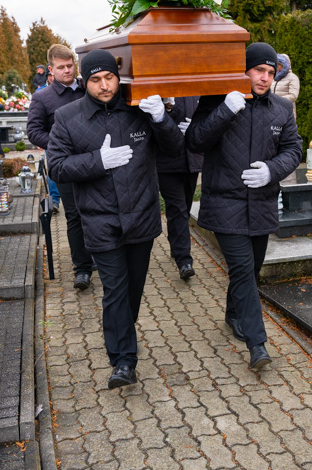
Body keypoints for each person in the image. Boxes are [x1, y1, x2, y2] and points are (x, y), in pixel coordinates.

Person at [47, 49, 183, 389]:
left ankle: (122, 331)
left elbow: (175, 149)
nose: (104, 86)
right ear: (84, 81)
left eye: (109, 78)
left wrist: (162, 119)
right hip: (100, 219)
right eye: (95, 80)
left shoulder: (138, 111)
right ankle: (123, 361)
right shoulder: (67, 117)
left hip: (141, 216)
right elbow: (57, 166)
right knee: (115, 290)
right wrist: (98, 160)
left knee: (133, 289)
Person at [186, 42, 302, 370]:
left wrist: (272, 170)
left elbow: (293, 149)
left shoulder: (281, 108)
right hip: (225, 203)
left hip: (262, 203)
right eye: (258, 71)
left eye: (270, 72)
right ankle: (258, 344)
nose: (264, 78)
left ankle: (232, 314)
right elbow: (194, 141)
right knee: (242, 271)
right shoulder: (217, 99)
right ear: (244, 70)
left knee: (250, 269)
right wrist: (225, 110)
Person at [27, 44, 95, 289]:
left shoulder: (88, 89)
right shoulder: (43, 97)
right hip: (65, 165)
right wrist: (59, 145)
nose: (67, 71)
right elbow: (34, 131)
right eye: (61, 67)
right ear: (51, 69)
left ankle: (99, 255)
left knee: (97, 211)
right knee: (75, 216)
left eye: (70, 66)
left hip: (94, 161)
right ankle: (82, 268)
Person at [156, 96, 203, 281]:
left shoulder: (195, 89)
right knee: (178, 209)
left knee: (185, 204)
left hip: (191, 158)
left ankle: (176, 246)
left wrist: (197, 128)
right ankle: (185, 261)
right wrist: (167, 110)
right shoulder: (162, 86)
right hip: (167, 160)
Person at [273, 53, 300, 120]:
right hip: (273, 113)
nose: (276, 67)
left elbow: (293, 96)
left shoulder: (293, 78)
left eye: (278, 64)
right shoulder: (273, 78)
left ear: (284, 65)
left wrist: (275, 100)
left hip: (287, 114)